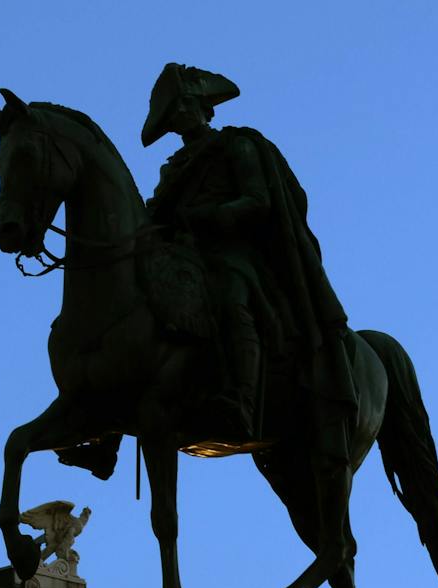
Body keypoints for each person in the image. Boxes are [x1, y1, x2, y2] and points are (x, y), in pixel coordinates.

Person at [141, 63, 353, 453]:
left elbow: (258, 201)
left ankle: (242, 400)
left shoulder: (236, 146)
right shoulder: (173, 169)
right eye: (174, 110)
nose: (181, 114)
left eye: (186, 104)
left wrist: (209, 217)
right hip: (183, 259)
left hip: (232, 254)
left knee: (229, 297)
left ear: (204, 106)